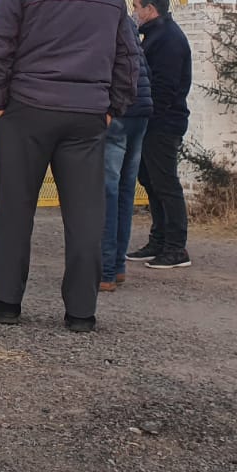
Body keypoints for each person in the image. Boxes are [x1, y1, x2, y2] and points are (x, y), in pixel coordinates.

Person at [0, 0, 139, 331]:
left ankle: (7, 305)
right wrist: (112, 107)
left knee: (15, 210)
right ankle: (81, 314)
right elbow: (128, 58)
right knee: (86, 215)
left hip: (26, 111)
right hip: (86, 116)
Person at [126, 0, 194, 270]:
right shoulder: (155, 36)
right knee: (151, 182)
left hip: (162, 125)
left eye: (136, 7)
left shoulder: (167, 39)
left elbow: (164, 88)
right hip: (152, 123)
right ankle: (159, 241)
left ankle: (176, 248)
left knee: (165, 184)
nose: (134, 13)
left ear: (150, 10)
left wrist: (151, 119)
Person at [100, 18, 152, 292]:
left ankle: (105, 272)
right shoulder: (129, 26)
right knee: (124, 191)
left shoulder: (101, 24)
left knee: (106, 193)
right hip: (140, 110)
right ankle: (118, 267)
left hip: (117, 113)